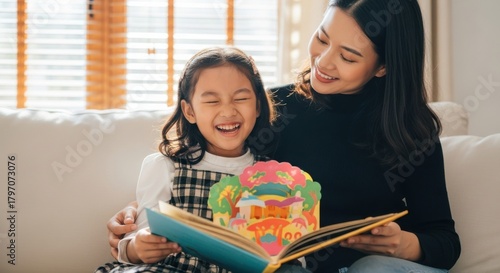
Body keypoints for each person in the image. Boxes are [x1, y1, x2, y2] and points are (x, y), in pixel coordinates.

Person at [106, 0, 461, 272]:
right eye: (322, 38)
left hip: (365, 267)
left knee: (373, 268)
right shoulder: (270, 107)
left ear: (383, 66)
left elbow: (444, 240)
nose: (323, 61)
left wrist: (405, 245)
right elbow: (208, 163)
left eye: (348, 57)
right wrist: (141, 215)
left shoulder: (412, 131)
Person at [95, 46, 309, 273]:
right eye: (212, 101)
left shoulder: (274, 177)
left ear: (257, 106)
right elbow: (137, 238)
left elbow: (293, 252)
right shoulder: (165, 167)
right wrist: (138, 248)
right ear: (189, 111)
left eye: (241, 98)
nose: (228, 111)